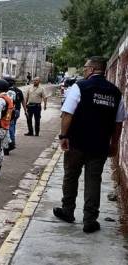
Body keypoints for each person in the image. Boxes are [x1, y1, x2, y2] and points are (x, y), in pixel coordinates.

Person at [53, 56, 127, 233]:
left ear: (92, 69)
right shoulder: (116, 93)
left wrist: (63, 136)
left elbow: (67, 114)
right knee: (93, 180)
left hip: (76, 143)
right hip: (99, 145)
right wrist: (114, 144)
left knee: (71, 175)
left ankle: (68, 211)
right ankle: (90, 220)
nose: (84, 70)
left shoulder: (80, 87)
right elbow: (118, 123)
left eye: (86, 68)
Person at [4, 77, 27, 151]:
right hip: (17, 111)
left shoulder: (7, 91)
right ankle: (12, 141)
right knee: (12, 125)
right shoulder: (18, 90)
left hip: (10, 111)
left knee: (9, 126)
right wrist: (25, 110)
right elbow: (23, 101)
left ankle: (11, 143)